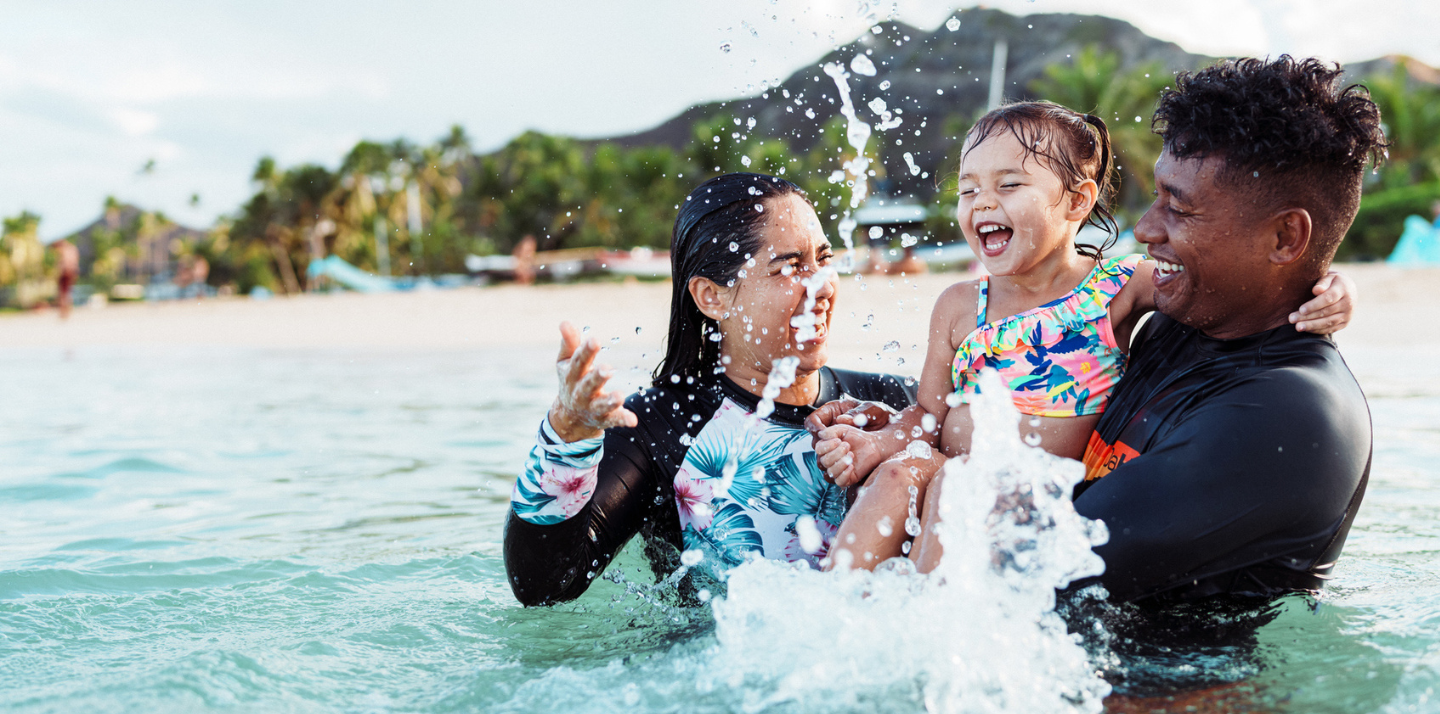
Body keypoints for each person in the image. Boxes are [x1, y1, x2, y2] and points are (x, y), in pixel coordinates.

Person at [810, 101, 1357, 573]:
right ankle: (835, 619)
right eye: (968, 188)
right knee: (896, 476)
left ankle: (924, 630)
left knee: (957, 490)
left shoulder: (1114, 286)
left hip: (1035, 489)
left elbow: (1232, 278)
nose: (981, 203)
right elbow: (927, 414)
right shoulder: (959, 306)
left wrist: (1333, 287)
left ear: (1077, 202)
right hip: (952, 464)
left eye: (1009, 185)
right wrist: (879, 443)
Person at [503, 173, 914, 606]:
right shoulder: (660, 428)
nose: (822, 285)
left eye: (823, 259)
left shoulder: (895, 405)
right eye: (790, 267)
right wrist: (567, 439)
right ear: (711, 297)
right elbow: (543, 586)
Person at [53, 238, 80, 319]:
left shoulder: (64, 249)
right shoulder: (72, 248)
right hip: (72, 272)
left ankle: (64, 312)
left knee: (63, 293)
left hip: (66, 272)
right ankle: (66, 311)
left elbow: (63, 263)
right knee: (68, 292)